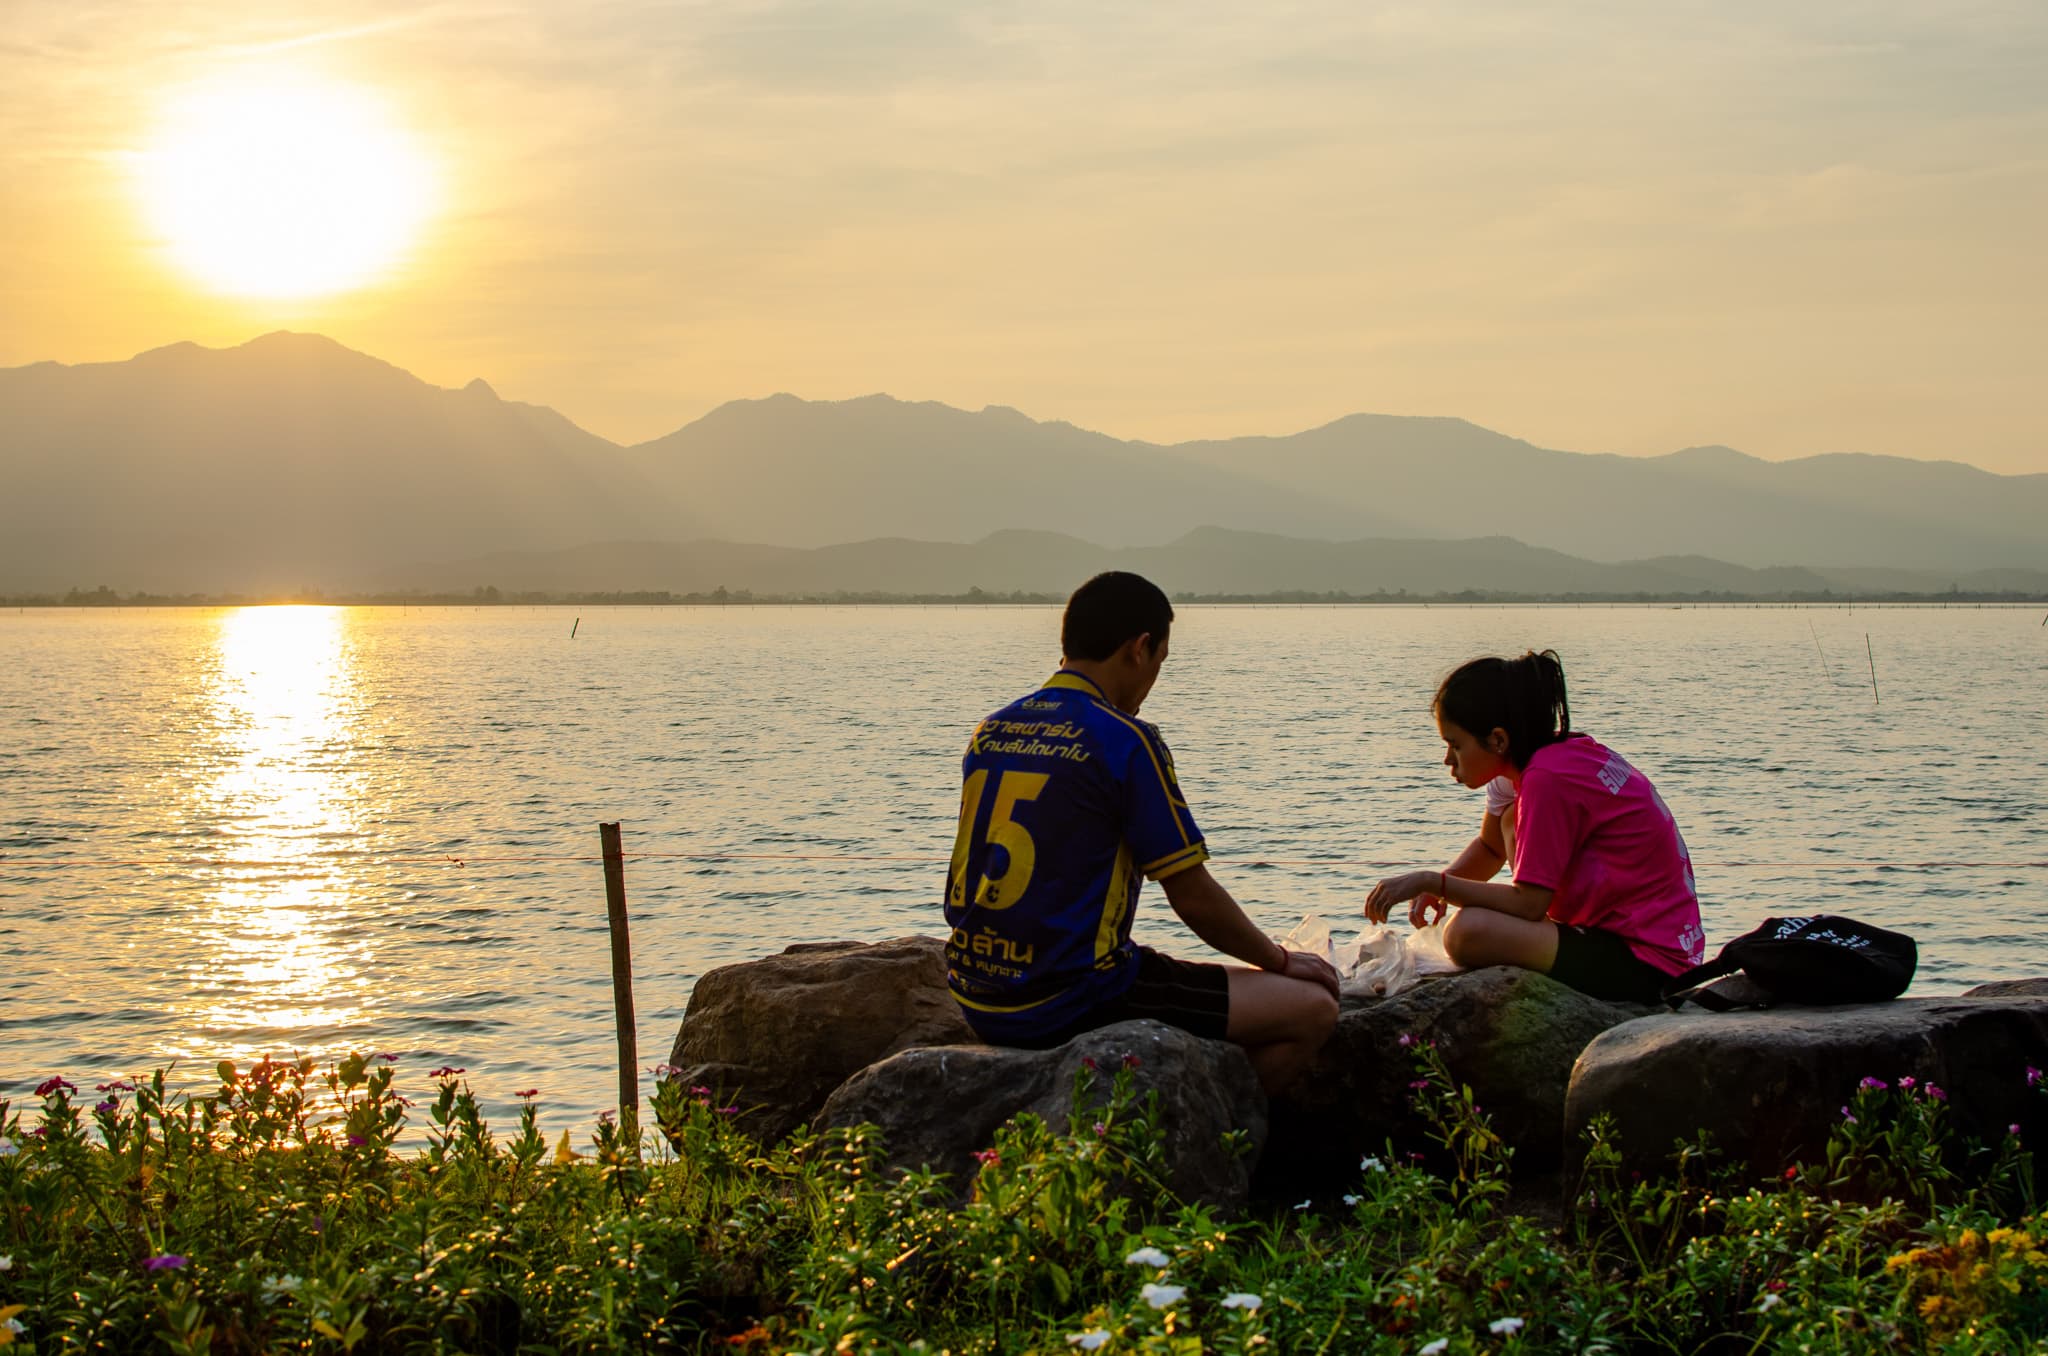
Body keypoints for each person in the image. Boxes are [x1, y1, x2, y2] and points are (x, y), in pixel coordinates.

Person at [944, 571, 1340, 1093]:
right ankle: (1222, 1140)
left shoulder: (992, 728)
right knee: (1312, 1009)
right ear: (1140, 648)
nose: (1154, 679)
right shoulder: (1126, 739)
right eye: (1160, 662)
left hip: (976, 991)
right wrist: (1282, 960)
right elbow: (1192, 896)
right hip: (1069, 998)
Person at [1364, 650, 1707, 1004]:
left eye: (1455, 745)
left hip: (1648, 963)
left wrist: (1431, 881)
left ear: (1498, 740)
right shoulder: (1522, 769)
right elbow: (1491, 848)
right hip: (1606, 936)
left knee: (1466, 934)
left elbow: (1529, 904)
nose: (1447, 759)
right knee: (1509, 821)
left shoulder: (1548, 778)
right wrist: (1443, 887)